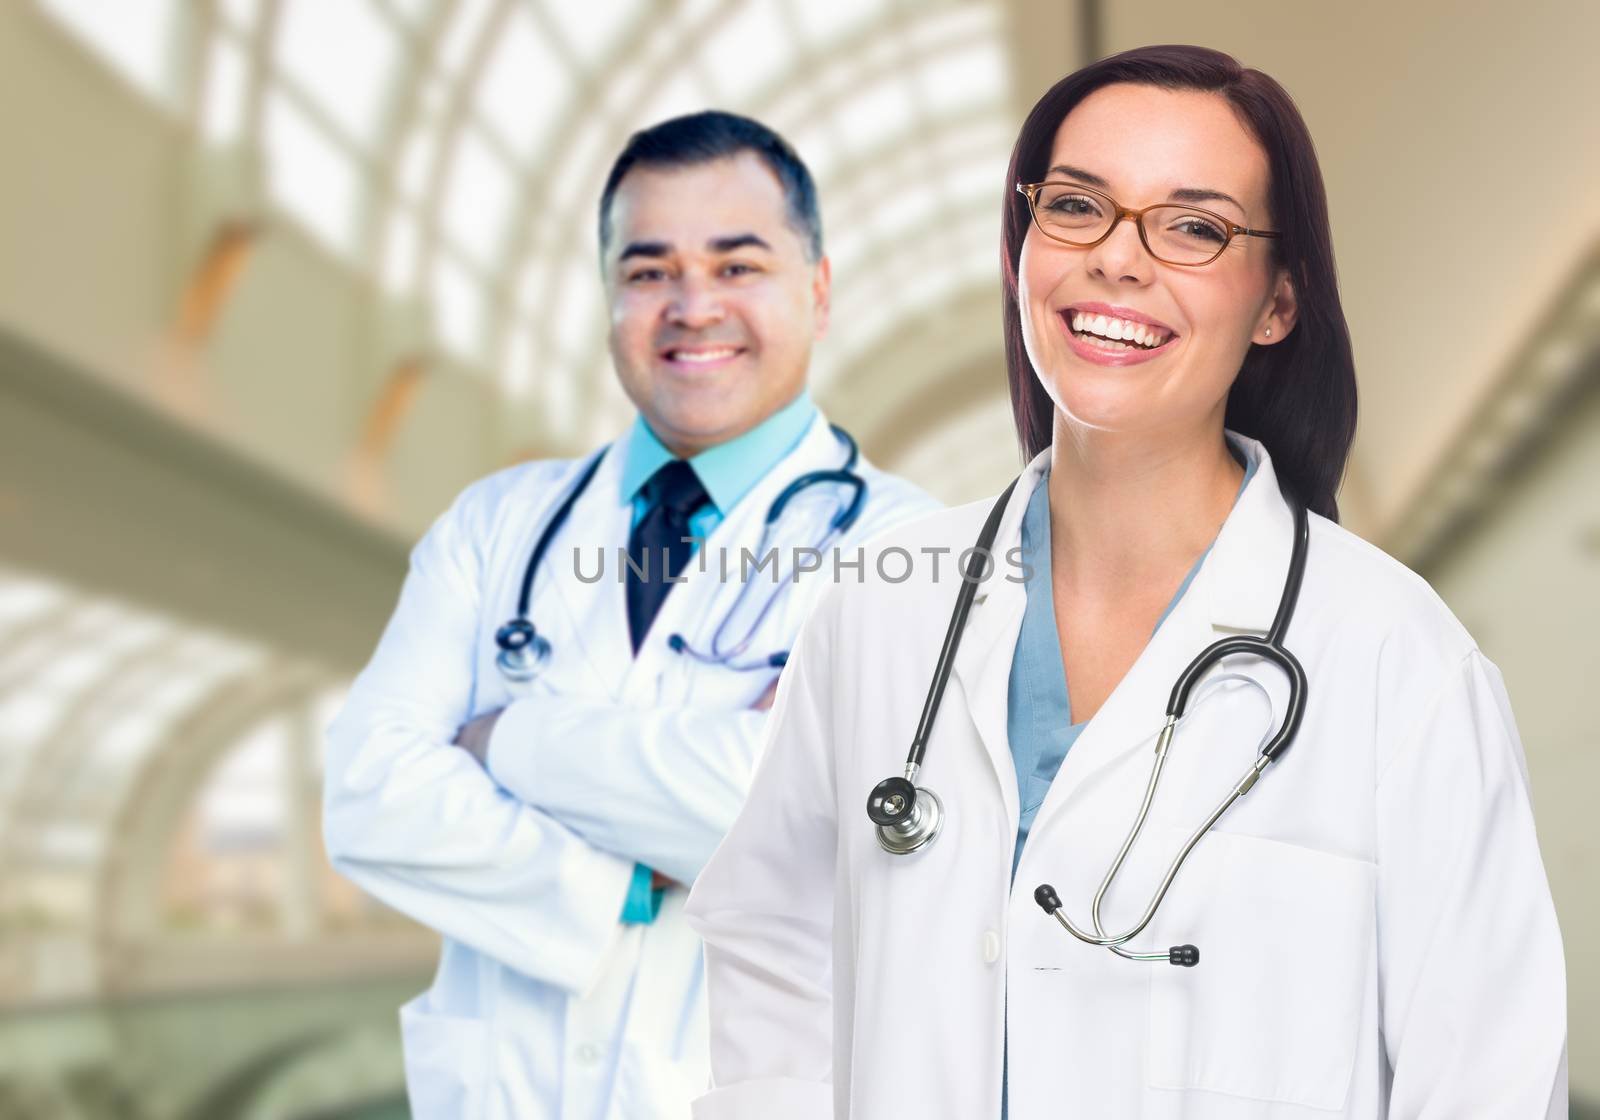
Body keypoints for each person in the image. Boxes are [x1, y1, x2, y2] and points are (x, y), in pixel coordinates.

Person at [683, 46, 1568, 1119]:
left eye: (1192, 227)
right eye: (1076, 206)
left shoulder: (1395, 655)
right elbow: (772, 944)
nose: (1116, 258)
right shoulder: (878, 606)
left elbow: (1486, 1076)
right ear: (1023, 249)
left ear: (1277, 301)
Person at [322, 110, 937, 1119]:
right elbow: (366, 789)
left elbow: (829, 828)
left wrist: (503, 740)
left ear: (817, 292)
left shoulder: (917, 552)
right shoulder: (495, 528)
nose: (692, 307)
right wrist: (632, 875)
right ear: (609, 296)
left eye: (738, 266)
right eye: (649, 272)